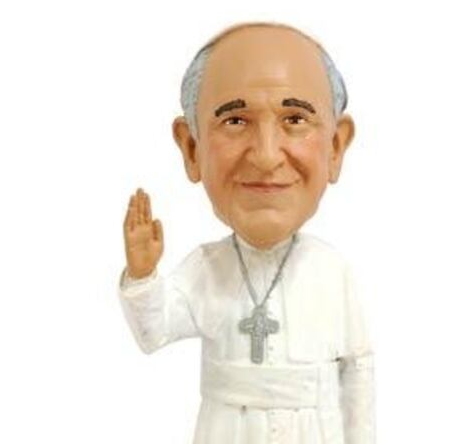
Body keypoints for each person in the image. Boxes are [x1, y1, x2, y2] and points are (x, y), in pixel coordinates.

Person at [118, 22, 374, 443]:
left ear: (335, 147)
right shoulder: (207, 268)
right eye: (235, 120)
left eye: (295, 119)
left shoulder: (333, 271)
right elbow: (152, 333)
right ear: (192, 148)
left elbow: (358, 373)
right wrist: (143, 277)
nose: (267, 156)